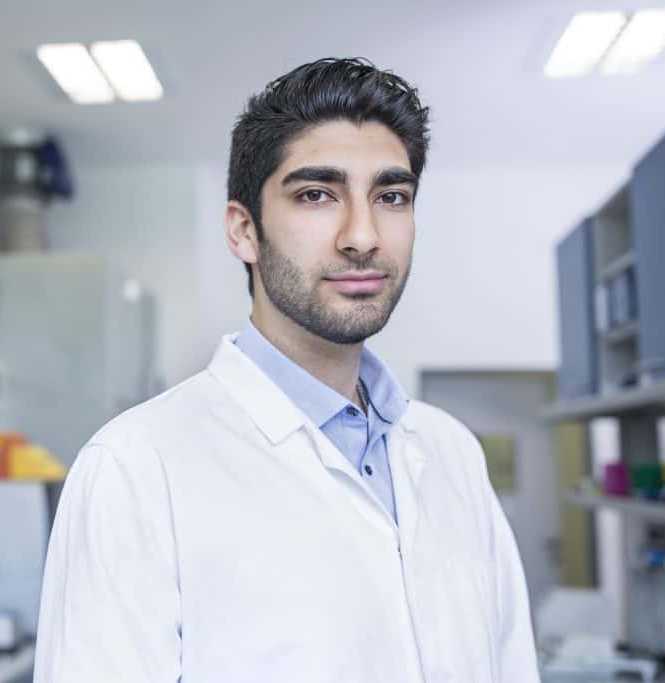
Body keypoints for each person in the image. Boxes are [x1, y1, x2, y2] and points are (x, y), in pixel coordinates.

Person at [34, 57, 540, 683]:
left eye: (391, 196)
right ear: (244, 231)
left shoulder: (452, 454)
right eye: (316, 195)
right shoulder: (135, 469)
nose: (363, 235)